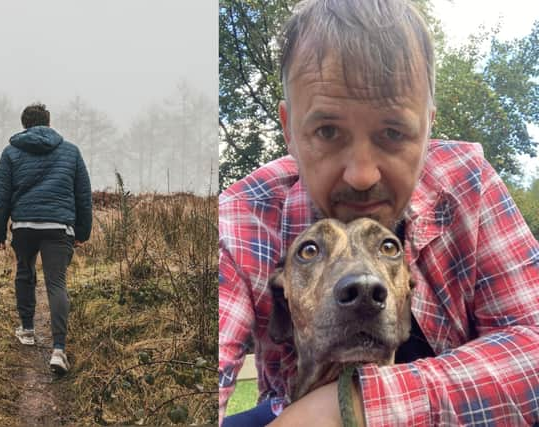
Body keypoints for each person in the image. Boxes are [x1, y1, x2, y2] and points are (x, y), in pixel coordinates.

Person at [218, 0, 539, 425]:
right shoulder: (241, 221)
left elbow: (533, 340)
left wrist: (350, 408)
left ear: (428, 130)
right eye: (327, 132)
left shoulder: (467, 183)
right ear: (289, 132)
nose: (362, 175)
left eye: (393, 133)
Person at [0, 103, 92, 374]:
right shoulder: (70, 152)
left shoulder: (11, 152)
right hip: (59, 227)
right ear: (48, 122)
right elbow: (83, 195)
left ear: (24, 125)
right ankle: (58, 350)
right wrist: (82, 232)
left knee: (24, 272)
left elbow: (1, 196)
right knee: (56, 283)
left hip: (23, 226)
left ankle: (27, 330)